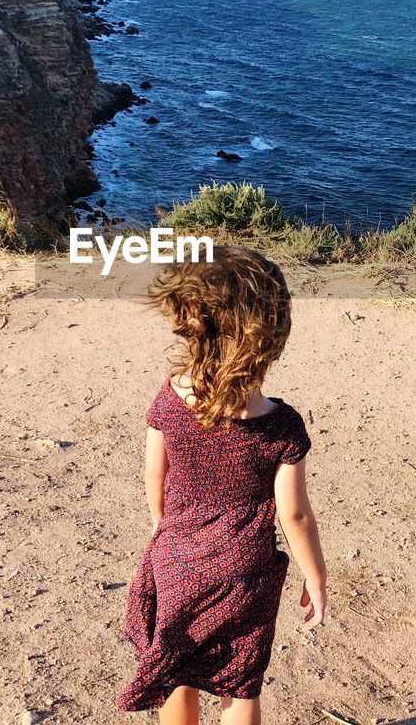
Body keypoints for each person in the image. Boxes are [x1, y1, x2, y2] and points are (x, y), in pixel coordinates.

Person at [117, 246, 328, 725]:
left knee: (176, 668)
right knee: (240, 683)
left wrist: (161, 526)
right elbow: (294, 515)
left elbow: (156, 474)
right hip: (246, 572)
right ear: (269, 337)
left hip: (177, 558)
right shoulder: (281, 426)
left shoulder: (170, 397)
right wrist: (314, 576)